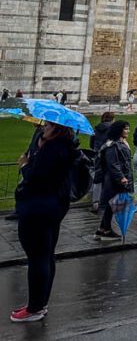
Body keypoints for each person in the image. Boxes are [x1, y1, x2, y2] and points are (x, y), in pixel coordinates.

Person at [10, 121, 76, 323]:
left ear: (57, 129)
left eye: (47, 125)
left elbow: (35, 177)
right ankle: (40, 303)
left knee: (38, 257)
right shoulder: (64, 146)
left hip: (39, 208)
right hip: (52, 207)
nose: (43, 127)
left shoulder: (53, 150)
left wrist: (25, 164)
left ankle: (35, 308)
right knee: (46, 255)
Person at [95, 121, 132, 241]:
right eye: (126, 129)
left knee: (111, 205)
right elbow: (113, 164)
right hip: (113, 180)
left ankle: (102, 229)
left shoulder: (120, 143)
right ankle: (106, 230)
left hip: (116, 178)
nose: (128, 131)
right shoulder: (112, 145)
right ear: (119, 130)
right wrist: (121, 178)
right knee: (111, 205)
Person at [89, 111, 116, 212]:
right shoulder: (112, 128)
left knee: (98, 178)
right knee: (109, 178)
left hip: (97, 155)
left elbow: (91, 143)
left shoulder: (96, 128)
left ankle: (95, 202)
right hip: (108, 155)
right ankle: (107, 201)